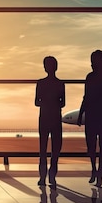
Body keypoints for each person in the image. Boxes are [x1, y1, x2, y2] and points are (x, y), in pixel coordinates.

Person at [77, 50, 102, 185]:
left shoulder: (91, 77)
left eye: (93, 61)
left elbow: (86, 97)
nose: (91, 64)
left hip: (94, 115)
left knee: (93, 146)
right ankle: (99, 169)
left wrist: (81, 113)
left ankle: (96, 169)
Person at [35, 56, 65, 187]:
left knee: (43, 148)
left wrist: (45, 102)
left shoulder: (40, 83)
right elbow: (62, 103)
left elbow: (36, 102)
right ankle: (52, 177)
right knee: (55, 149)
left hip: (44, 117)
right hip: (55, 117)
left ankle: (42, 177)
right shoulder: (60, 83)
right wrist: (54, 103)